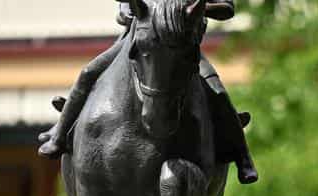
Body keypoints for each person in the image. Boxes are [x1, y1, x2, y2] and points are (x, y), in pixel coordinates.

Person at [36, 0, 259, 185]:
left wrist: (194, 10)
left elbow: (226, 8)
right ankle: (59, 133)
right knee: (88, 72)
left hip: (182, 43)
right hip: (139, 41)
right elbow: (124, 10)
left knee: (216, 90)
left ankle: (243, 157)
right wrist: (136, 10)